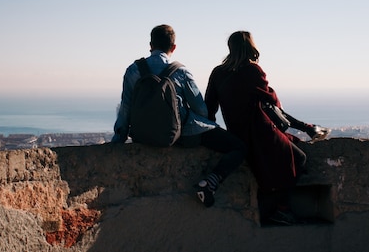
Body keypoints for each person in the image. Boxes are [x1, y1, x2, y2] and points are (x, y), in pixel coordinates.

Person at [112, 24, 246, 207]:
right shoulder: (181, 72)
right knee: (238, 147)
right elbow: (201, 110)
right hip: (184, 134)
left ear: (151, 45)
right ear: (173, 47)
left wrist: (118, 140)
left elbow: (126, 107)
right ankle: (210, 183)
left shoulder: (133, 70)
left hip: (143, 135)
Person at [204, 31, 330, 225]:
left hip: (237, 135)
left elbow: (209, 109)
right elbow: (274, 103)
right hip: (260, 132)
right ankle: (283, 209)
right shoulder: (252, 70)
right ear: (251, 46)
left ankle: (275, 208)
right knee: (299, 158)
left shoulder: (217, 73)